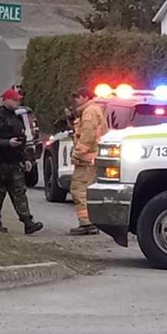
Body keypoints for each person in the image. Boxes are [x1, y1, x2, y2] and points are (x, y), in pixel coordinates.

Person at [0, 88, 43, 235]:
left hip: (16, 162)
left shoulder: (18, 118)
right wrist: (7, 143)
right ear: (6, 100)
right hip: (0, 162)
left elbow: (24, 140)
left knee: (20, 193)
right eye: (14, 100)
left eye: (18, 100)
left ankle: (28, 222)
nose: (17, 102)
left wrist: (27, 159)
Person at [68, 87, 107, 235]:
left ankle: (86, 223)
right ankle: (90, 222)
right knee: (87, 190)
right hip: (92, 157)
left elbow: (87, 135)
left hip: (86, 159)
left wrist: (78, 153)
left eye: (78, 97)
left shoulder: (89, 112)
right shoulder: (94, 109)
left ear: (85, 97)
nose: (76, 100)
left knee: (79, 189)